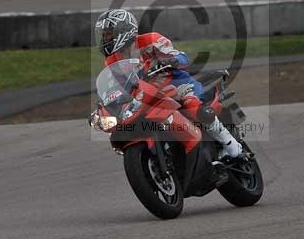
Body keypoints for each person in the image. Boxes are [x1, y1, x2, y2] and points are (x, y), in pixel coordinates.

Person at [92, 9, 244, 159]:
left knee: (192, 105)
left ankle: (229, 143)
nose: (105, 39)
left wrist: (170, 60)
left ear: (123, 30)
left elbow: (182, 58)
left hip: (175, 82)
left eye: (108, 34)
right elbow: (118, 85)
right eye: (103, 35)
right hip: (145, 93)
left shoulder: (150, 40)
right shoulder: (112, 61)